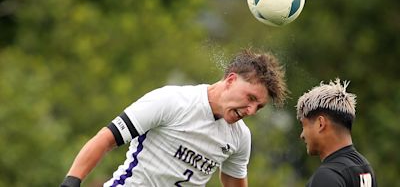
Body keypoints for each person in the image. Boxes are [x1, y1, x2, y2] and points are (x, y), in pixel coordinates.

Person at [61, 49, 288, 187]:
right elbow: (105, 139)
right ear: (230, 80)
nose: (250, 110)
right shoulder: (172, 101)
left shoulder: (240, 138)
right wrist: (71, 182)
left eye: (258, 107)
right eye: (250, 98)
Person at [296, 79, 377, 187]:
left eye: (304, 125)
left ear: (320, 123)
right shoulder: (365, 168)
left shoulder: (327, 176)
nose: (302, 135)